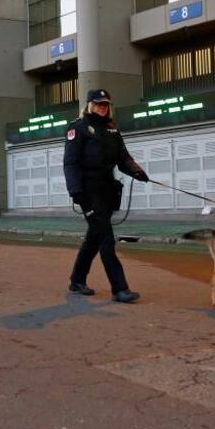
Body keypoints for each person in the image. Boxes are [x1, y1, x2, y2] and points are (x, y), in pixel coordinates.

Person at [63, 89, 149, 303]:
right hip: (88, 192)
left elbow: (124, 157)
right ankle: (119, 289)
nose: (103, 107)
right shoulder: (78, 128)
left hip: (107, 191)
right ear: (90, 105)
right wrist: (76, 193)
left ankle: (76, 280)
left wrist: (137, 171)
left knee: (94, 237)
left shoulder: (112, 129)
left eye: (105, 104)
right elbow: (70, 163)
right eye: (99, 104)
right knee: (106, 239)